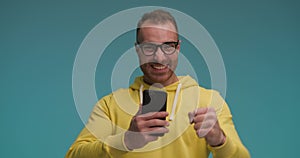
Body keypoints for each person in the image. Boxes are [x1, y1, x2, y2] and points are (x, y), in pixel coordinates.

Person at [66, 9, 250, 158]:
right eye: (149, 47)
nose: (159, 57)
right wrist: (127, 140)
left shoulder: (208, 101)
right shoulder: (110, 105)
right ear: (137, 50)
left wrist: (219, 140)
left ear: (178, 48)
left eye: (168, 46)